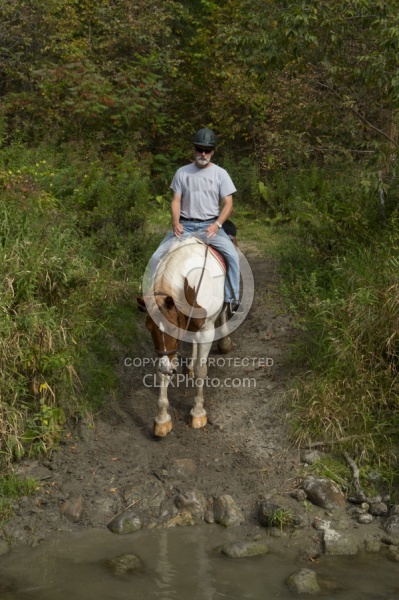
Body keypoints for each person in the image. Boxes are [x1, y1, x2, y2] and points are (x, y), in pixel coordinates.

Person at [146, 127, 240, 313]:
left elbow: (228, 204)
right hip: (186, 225)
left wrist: (217, 224)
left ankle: (232, 299)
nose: (203, 153)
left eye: (207, 150)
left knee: (233, 256)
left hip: (210, 226)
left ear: (213, 151)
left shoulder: (221, 174)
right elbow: (176, 200)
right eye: (199, 149)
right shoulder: (182, 172)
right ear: (194, 149)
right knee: (156, 257)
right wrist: (175, 223)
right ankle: (152, 300)